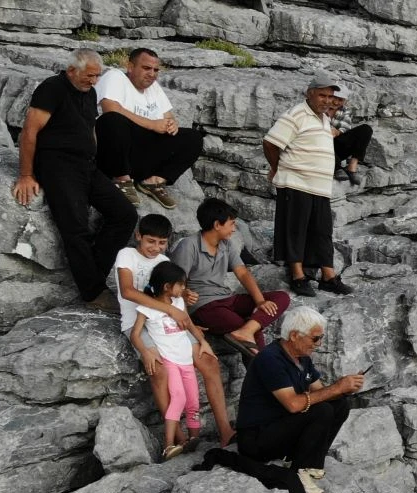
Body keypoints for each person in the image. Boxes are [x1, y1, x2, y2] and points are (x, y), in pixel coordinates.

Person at [11, 49, 137, 310]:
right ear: (72, 71)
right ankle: (93, 292)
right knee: (75, 228)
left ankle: (92, 271)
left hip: (87, 166)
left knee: (125, 213)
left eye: (97, 76)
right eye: (89, 75)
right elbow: (29, 131)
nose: (93, 81)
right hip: (57, 166)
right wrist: (26, 174)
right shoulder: (52, 89)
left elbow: (90, 129)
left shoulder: (89, 92)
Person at [111, 213, 236, 447]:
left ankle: (225, 429)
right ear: (138, 236)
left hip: (169, 321)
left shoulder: (162, 262)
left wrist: (183, 298)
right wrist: (172, 312)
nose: (155, 247)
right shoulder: (126, 255)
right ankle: (177, 437)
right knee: (159, 371)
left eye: (161, 243)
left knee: (208, 361)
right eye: (150, 241)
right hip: (138, 321)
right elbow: (128, 291)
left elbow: (171, 293)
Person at [235, 304, 364, 493]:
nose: (318, 344)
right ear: (294, 335)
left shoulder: (302, 358)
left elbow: (321, 392)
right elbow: (293, 404)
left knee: (339, 405)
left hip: (279, 428)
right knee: (322, 411)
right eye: (315, 338)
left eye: (320, 338)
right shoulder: (270, 359)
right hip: (256, 439)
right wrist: (337, 387)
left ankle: (310, 464)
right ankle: (299, 472)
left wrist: (345, 389)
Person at [263, 75, 353, 298]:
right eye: (322, 95)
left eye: (330, 96)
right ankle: (298, 276)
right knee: (296, 230)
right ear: (309, 93)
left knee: (322, 232)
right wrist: (277, 167)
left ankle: (328, 277)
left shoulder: (322, 118)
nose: (327, 100)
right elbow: (271, 142)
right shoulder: (296, 114)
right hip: (296, 183)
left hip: (319, 187)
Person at [170, 197, 291, 357]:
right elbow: (174, 282)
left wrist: (260, 301)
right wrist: (185, 296)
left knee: (281, 297)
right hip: (204, 306)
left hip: (227, 299)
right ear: (217, 225)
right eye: (231, 223)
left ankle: (247, 331)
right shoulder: (188, 246)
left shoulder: (226, 245)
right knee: (249, 331)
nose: (234, 229)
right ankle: (261, 375)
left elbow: (242, 273)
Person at [94, 47, 204, 210]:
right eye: (146, 68)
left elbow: (168, 116)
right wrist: (152, 124)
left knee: (193, 138)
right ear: (130, 67)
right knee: (112, 121)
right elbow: (110, 108)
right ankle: (122, 180)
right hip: (116, 155)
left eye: (155, 70)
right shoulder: (115, 76)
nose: (152, 74)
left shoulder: (153, 87)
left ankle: (152, 182)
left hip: (143, 156)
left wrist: (171, 124)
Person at [131, 261, 205, 460]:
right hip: (169, 361)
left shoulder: (179, 303)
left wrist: (202, 342)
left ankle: (193, 440)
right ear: (166, 286)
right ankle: (168, 445)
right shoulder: (147, 308)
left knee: (193, 401)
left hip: (186, 360)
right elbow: (135, 334)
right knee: (178, 398)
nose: (183, 288)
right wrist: (145, 352)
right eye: (180, 284)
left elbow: (189, 324)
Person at [328, 84, 373, 188]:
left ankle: (352, 167)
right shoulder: (321, 108)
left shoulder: (344, 110)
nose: (336, 102)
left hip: (336, 146)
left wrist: (337, 132)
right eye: (335, 98)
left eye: (341, 99)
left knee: (366, 129)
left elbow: (345, 127)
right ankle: (337, 168)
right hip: (321, 147)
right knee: (323, 133)